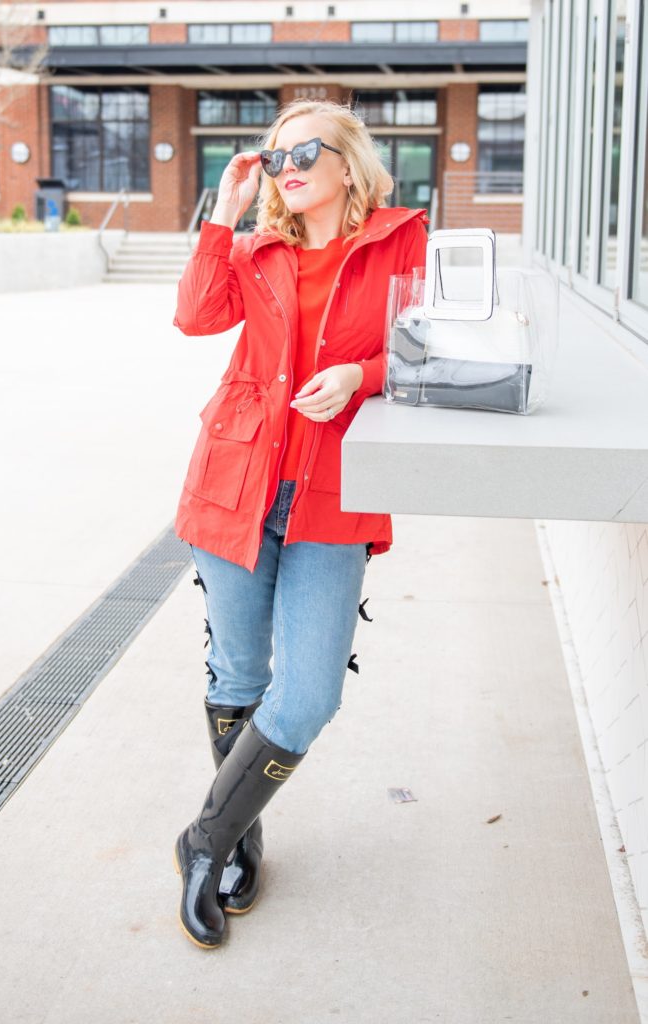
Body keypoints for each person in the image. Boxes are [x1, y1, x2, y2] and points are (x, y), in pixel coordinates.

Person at [171, 98, 428, 949]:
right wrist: (225, 210)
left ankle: (201, 840)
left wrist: (360, 375)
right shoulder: (256, 246)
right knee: (238, 670)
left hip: (332, 496)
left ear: (347, 163)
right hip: (238, 480)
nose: (286, 166)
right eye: (273, 154)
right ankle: (238, 849)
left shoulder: (402, 242)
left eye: (303, 151)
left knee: (308, 693)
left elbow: (431, 353)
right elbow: (197, 316)